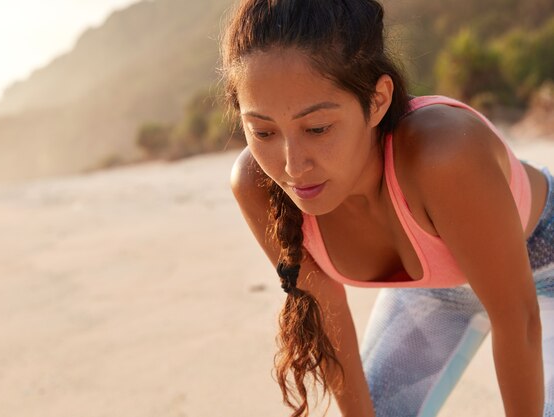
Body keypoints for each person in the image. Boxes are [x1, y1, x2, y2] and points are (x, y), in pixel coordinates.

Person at [221, 0, 554, 416]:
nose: (292, 165)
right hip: (435, 295)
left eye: (318, 128)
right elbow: (329, 319)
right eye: (263, 131)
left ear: (377, 100)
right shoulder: (257, 185)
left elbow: (518, 320)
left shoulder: (443, 155)